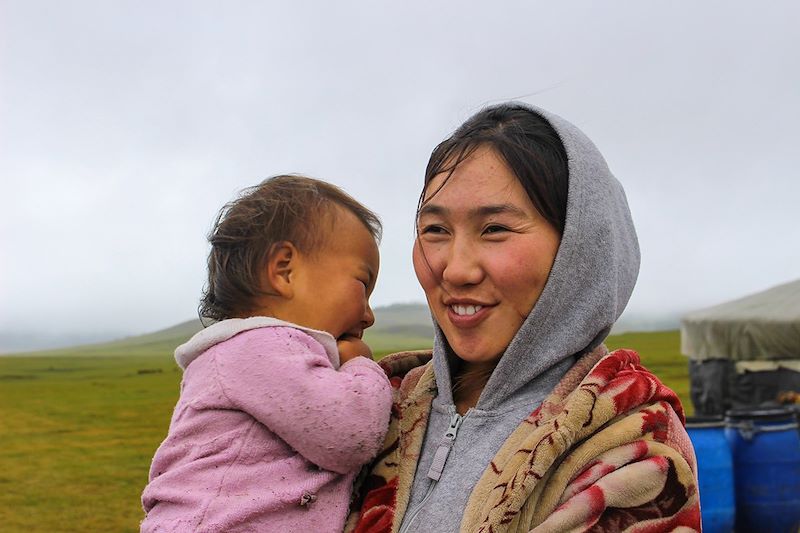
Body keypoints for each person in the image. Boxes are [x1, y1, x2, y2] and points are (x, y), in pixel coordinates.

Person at [346, 104, 700, 532]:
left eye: (494, 228)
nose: (455, 269)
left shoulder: (629, 444)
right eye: (435, 230)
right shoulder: (377, 405)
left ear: (577, 249)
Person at [140, 175, 393, 532]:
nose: (368, 314)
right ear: (284, 270)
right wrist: (361, 366)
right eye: (363, 285)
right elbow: (347, 434)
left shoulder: (247, 354)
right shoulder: (261, 348)